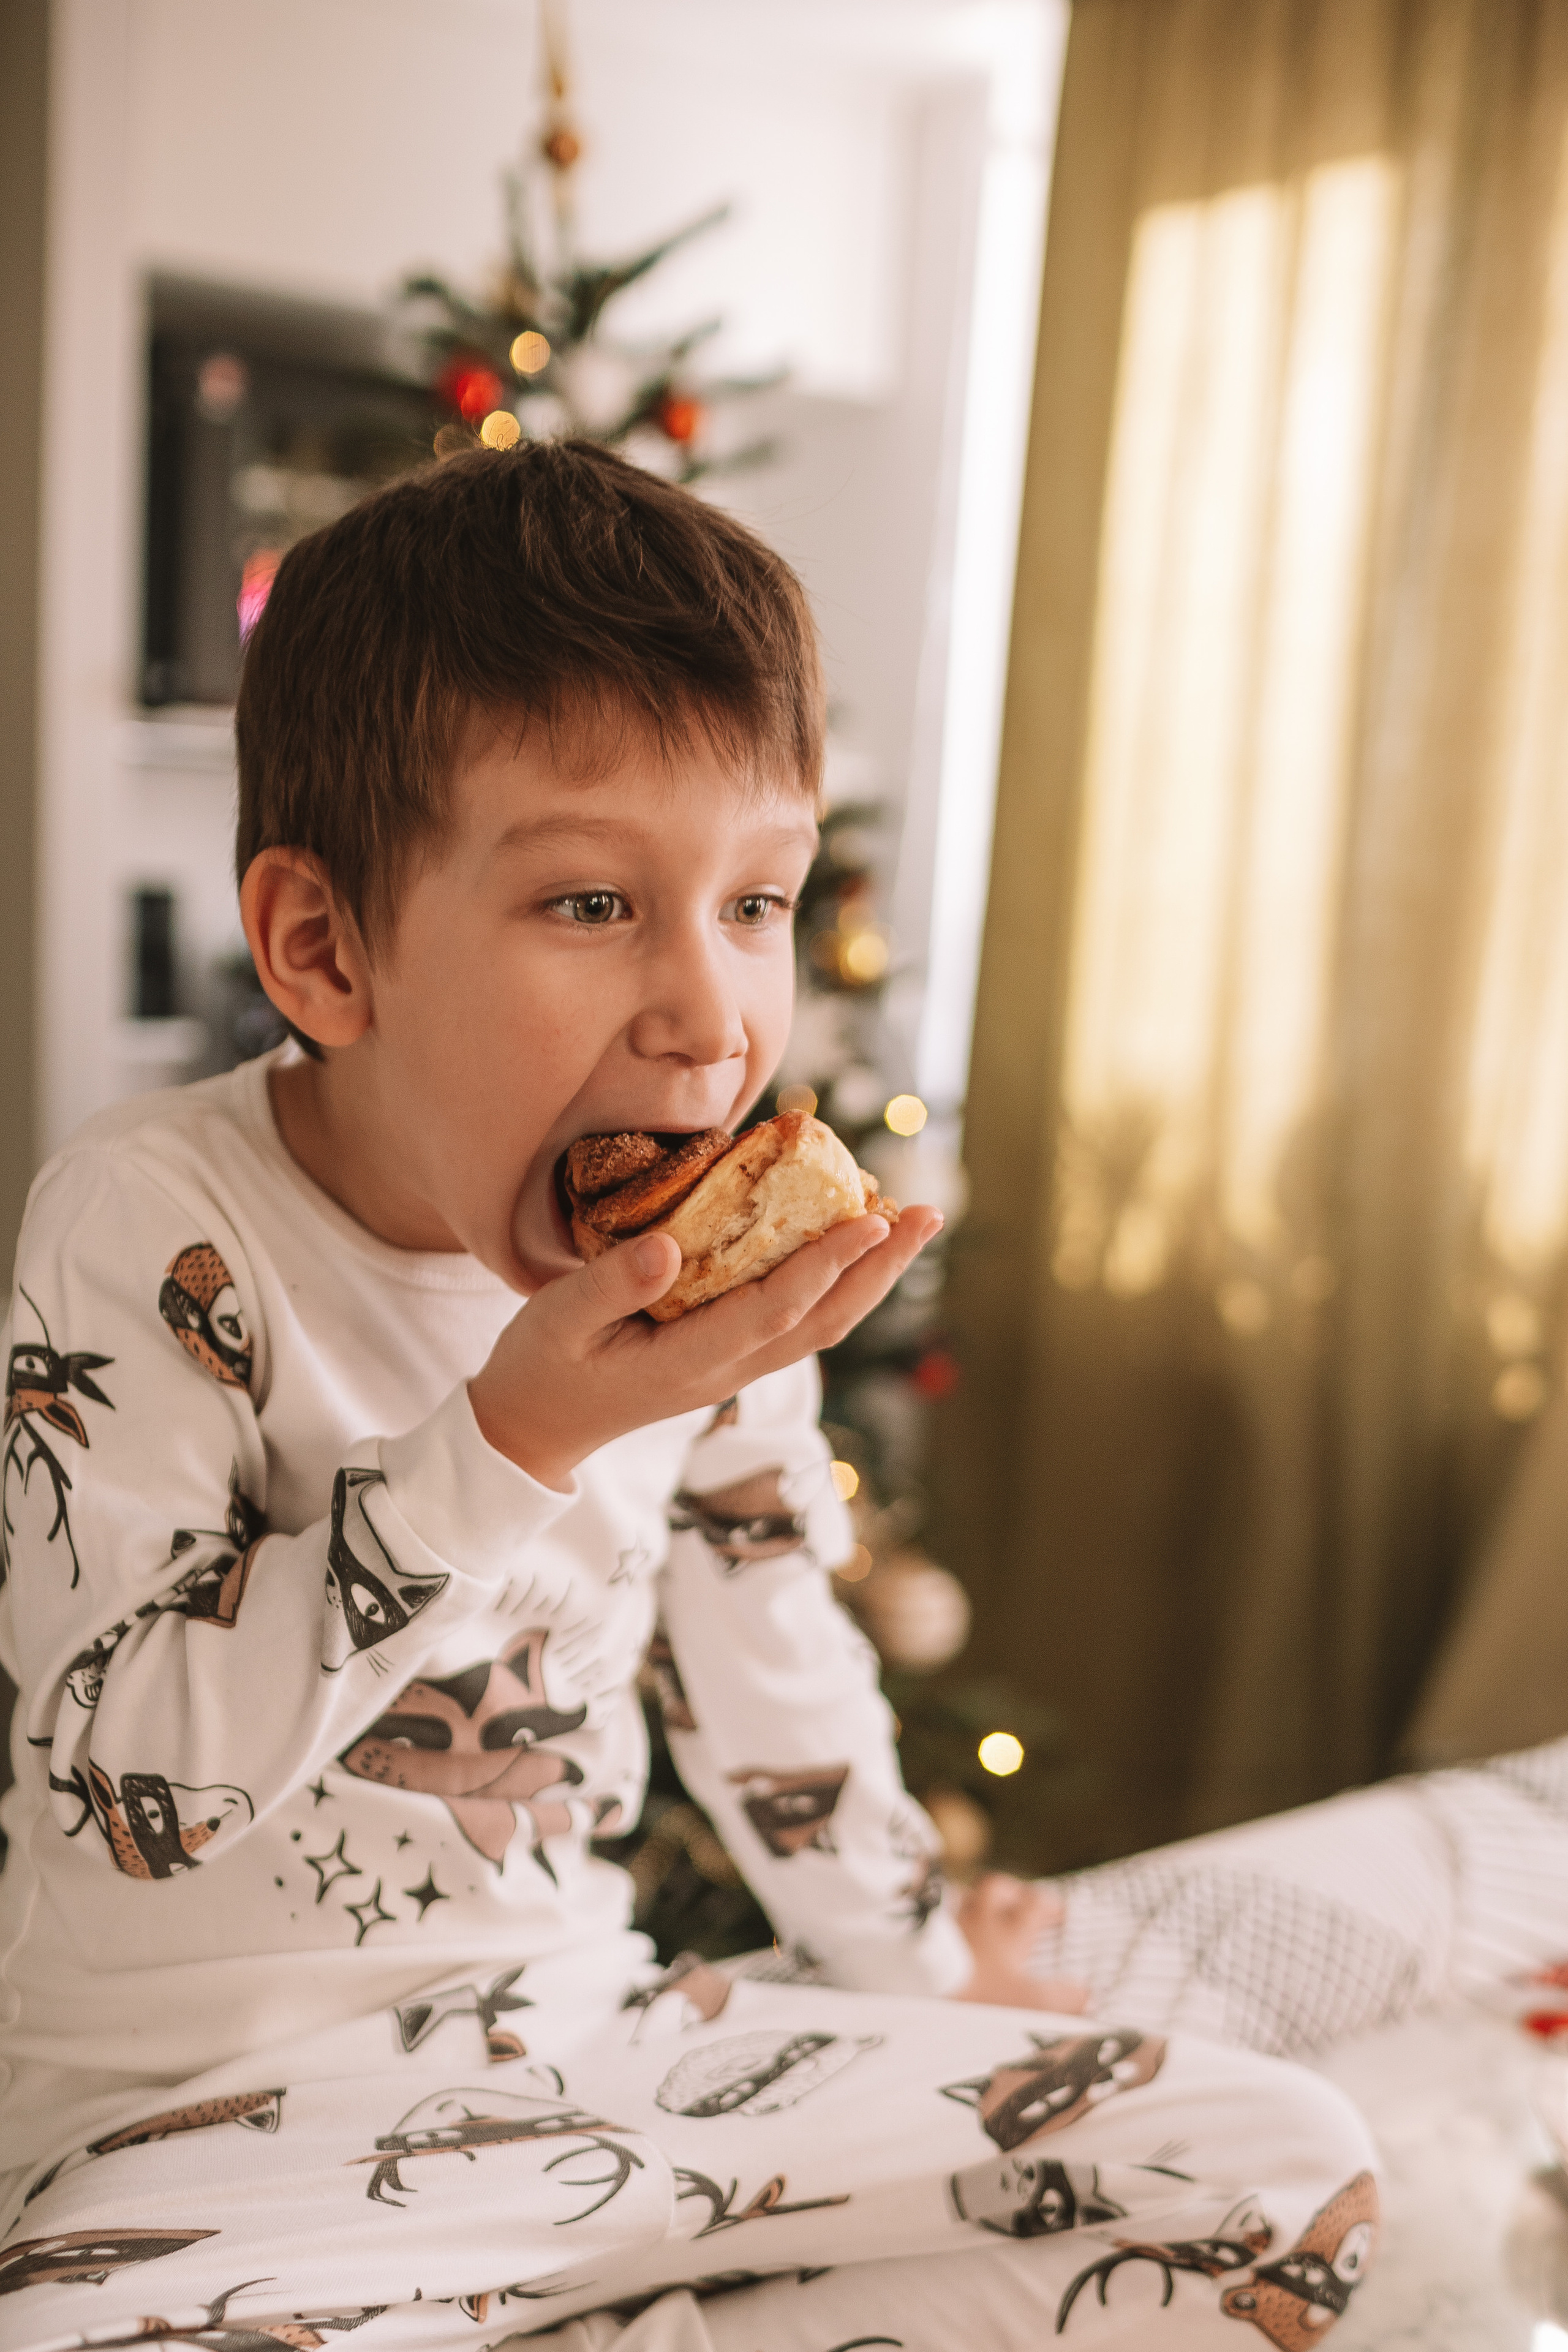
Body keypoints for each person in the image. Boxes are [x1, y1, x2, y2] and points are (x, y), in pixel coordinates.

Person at [0, 443, 1375, 2351]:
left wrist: (914, 1958)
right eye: (589, 905)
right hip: (198, 2140)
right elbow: (123, 1796)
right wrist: (507, 1446)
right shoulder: (157, 1229)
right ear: (326, 949)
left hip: (591, 2055)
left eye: (757, 902)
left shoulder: (707, 1277)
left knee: (1276, 2169)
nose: (711, 1014)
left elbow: (767, 1642)